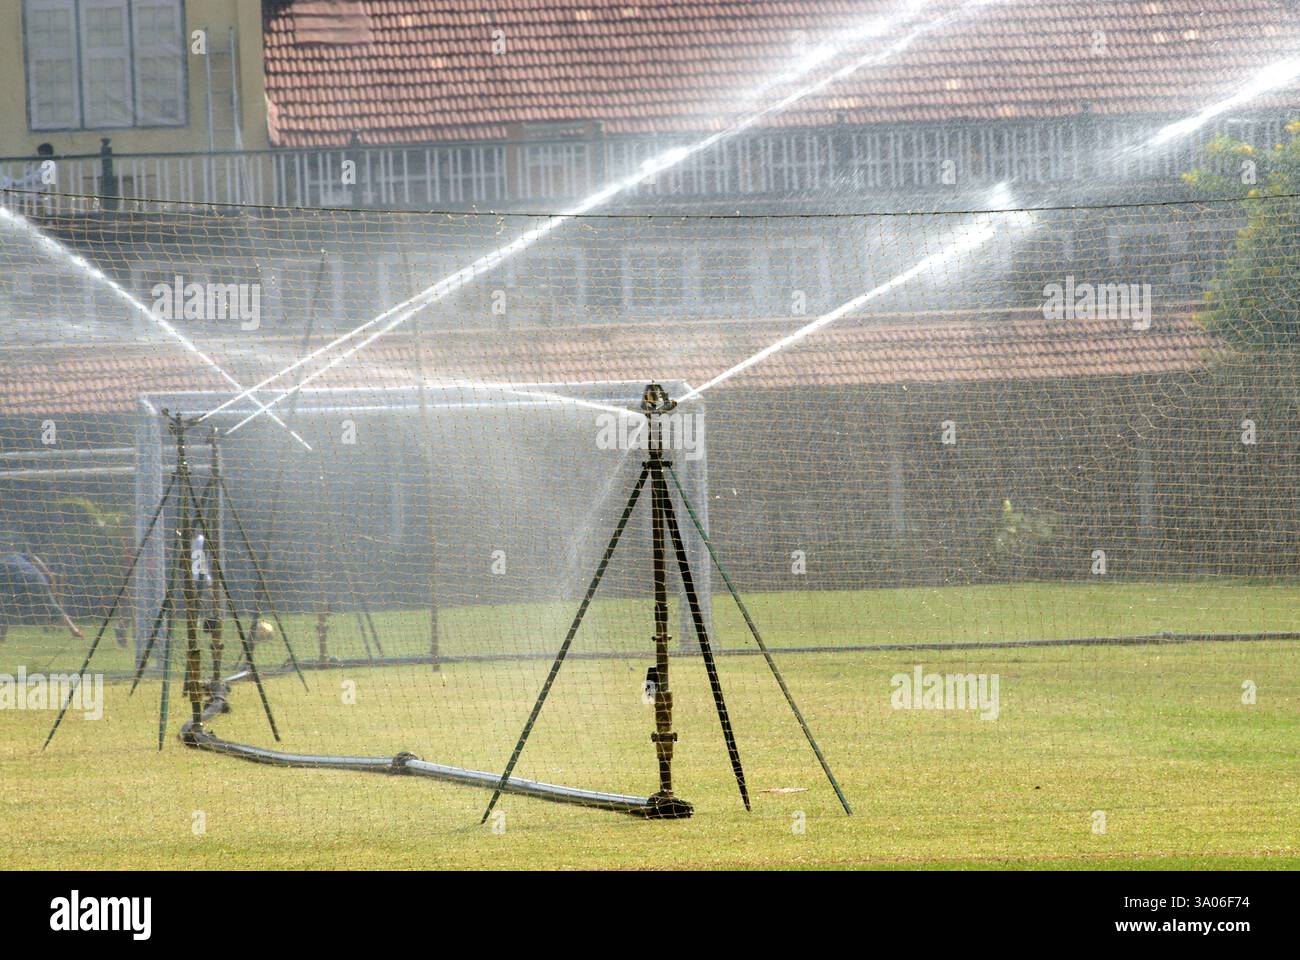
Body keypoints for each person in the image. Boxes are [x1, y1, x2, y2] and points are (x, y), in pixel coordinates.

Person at [0, 552, 84, 643]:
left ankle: (1, 638)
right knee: (53, 606)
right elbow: (34, 557)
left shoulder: (3, 565)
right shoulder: (15, 555)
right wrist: (48, 573)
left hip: (21, 583)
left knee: (4, 611)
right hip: (38, 578)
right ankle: (74, 629)